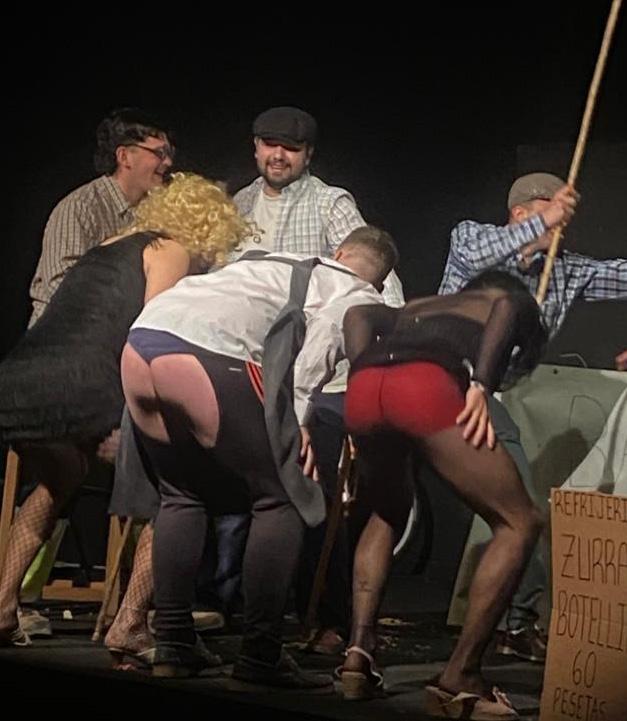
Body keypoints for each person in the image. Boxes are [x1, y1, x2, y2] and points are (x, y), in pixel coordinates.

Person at [121, 230, 397, 687]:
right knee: (281, 498)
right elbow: (325, 338)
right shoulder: (359, 291)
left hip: (143, 339)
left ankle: (173, 643)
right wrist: (301, 418)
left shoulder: (269, 259)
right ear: (380, 281)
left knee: (181, 495)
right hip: (212, 352)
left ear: (339, 252)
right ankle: (260, 655)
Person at [0, 173, 249, 648]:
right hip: (84, 385)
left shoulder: (111, 245)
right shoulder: (169, 248)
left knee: (59, 480)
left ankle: (2, 606)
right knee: (177, 488)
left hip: (22, 381)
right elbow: (155, 332)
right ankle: (130, 622)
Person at [337, 270, 548, 719]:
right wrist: (482, 385)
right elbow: (508, 307)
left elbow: (357, 315)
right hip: (422, 385)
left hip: (365, 386)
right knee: (520, 521)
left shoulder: (421, 304)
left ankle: (358, 654)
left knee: (387, 510)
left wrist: (361, 372)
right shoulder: (506, 299)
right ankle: (461, 675)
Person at [235, 107, 404, 651]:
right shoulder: (239, 205)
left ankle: (327, 616)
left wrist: (375, 357)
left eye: (290, 148)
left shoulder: (330, 203)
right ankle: (234, 610)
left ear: (308, 155)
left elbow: (378, 279)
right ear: (255, 147)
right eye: (268, 144)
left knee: (313, 487)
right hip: (254, 368)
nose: (277, 155)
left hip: (323, 375)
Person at [440, 172, 625, 662]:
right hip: (443, 384)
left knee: (519, 510)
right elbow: (475, 256)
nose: (562, 220)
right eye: (549, 208)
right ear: (520, 212)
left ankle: (514, 622)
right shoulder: (472, 238)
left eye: (565, 212)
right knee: (515, 513)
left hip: (483, 403)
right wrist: (543, 221)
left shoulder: (568, 270)